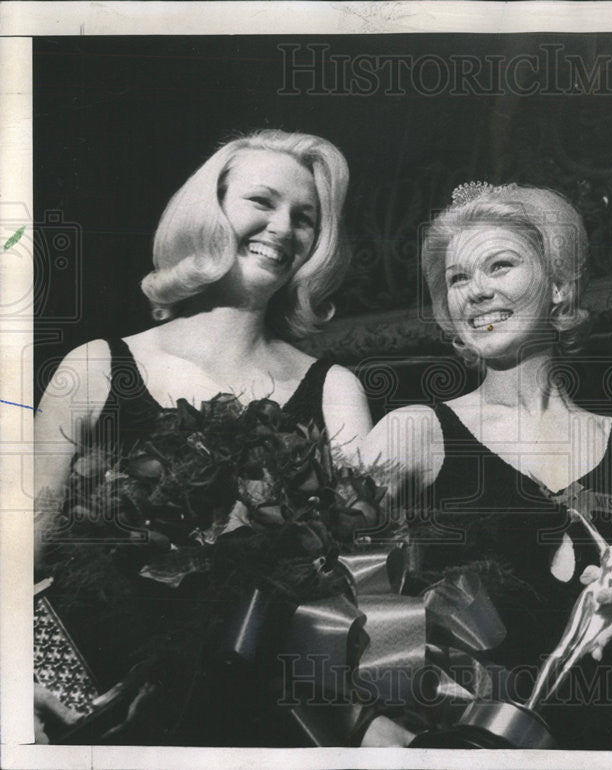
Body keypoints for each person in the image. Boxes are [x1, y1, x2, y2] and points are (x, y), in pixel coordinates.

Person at [33, 130, 372, 742]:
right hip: (93, 714)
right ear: (209, 208)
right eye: (262, 202)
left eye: (305, 218)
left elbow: (362, 585)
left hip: (258, 718)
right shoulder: (96, 366)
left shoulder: (335, 390)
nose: (284, 228)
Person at [360, 183, 612, 749]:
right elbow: (328, 604)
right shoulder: (415, 431)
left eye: (500, 265)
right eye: (458, 279)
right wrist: (375, 732)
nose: (476, 292)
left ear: (560, 284)